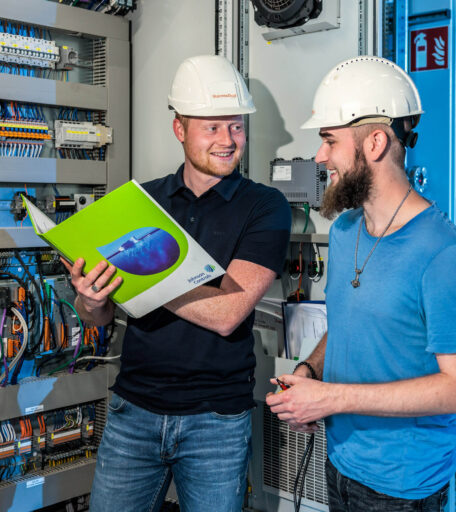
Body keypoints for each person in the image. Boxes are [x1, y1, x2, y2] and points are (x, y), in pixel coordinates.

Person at [65, 55, 291, 512]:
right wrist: (91, 298)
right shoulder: (138, 203)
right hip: (133, 409)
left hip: (216, 420)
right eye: (212, 128)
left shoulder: (265, 207)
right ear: (180, 129)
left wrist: (137, 275)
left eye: (237, 126)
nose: (228, 141)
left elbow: (228, 313)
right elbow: (102, 313)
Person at [266, 56, 456, 511]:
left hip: (402, 485)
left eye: (329, 141)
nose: (319, 156)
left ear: (375, 142)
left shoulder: (439, 254)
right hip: (341, 461)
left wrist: (331, 398)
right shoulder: (346, 231)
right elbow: (349, 327)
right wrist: (310, 373)